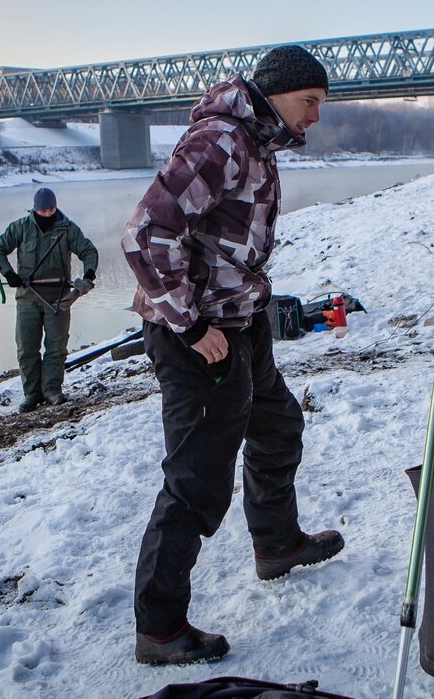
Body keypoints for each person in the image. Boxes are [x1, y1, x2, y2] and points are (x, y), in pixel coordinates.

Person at [122, 45, 345, 666]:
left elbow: (222, 240)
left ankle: (276, 546)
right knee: (196, 482)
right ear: (278, 93)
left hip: (241, 326)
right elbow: (145, 232)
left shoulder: (257, 143)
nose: (315, 117)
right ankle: (160, 630)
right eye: (311, 103)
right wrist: (191, 326)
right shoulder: (220, 141)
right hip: (201, 340)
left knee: (277, 426)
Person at [0, 187, 97, 413]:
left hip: (59, 298)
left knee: (56, 347)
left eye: (51, 210)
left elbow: (88, 251)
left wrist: (88, 275)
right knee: (26, 348)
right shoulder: (20, 227)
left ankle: (52, 390)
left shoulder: (68, 228)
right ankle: (32, 394)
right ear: (35, 209)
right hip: (27, 298)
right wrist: (9, 274)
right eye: (43, 211)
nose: (48, 214)